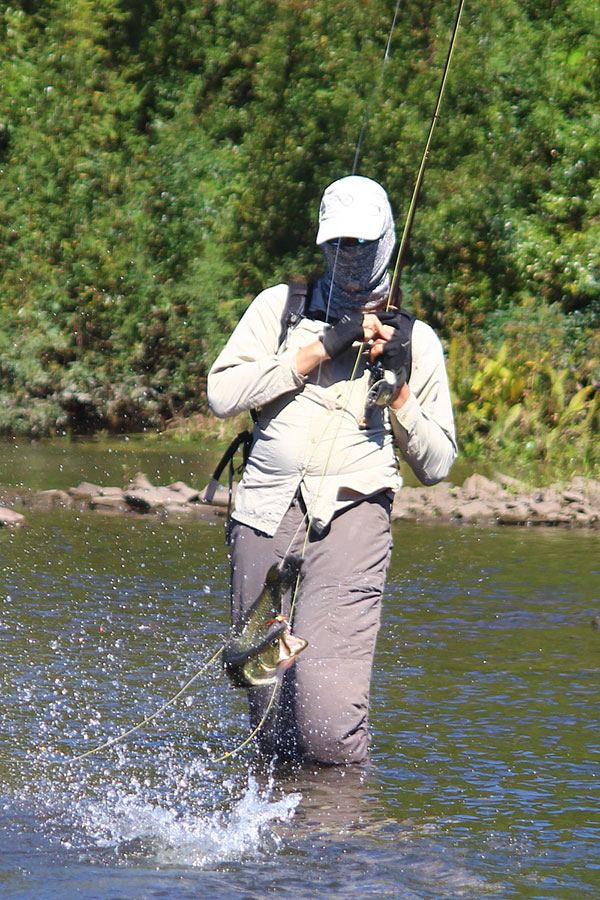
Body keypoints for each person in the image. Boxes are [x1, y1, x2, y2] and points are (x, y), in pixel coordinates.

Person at [207, 174, 457, 766]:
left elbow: (438, 464)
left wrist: (397, 392)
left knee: (326, 726)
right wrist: (322, 346)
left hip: (353, 515)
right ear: (321, 245)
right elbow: (222, 393)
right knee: (265, 707)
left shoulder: (416, 340)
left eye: (362, 245)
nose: (348, 259)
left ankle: (342, 843)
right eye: (336, 245)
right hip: (265, 509)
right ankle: (272, 847)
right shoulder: (280, 307)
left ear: (386, 243)